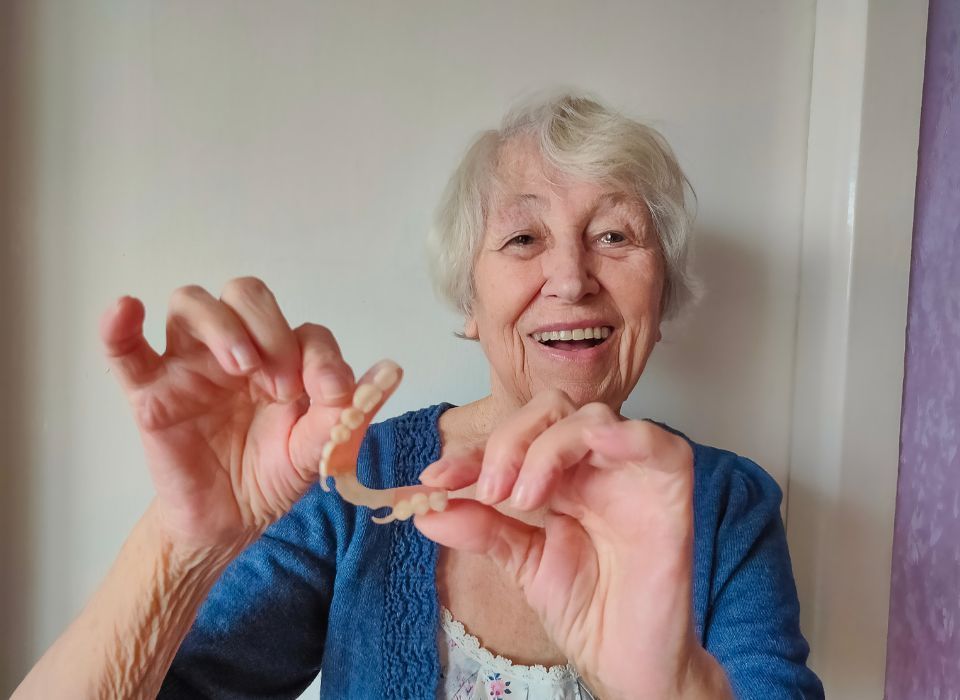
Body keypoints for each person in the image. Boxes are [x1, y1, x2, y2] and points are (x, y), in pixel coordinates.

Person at [14, 92, 824, 699]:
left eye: (614, 236)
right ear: (469, 304)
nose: (572, 279)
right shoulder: (352, 479)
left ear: (663, 293)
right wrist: (180, 544)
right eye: (523, 238)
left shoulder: (725, 507)